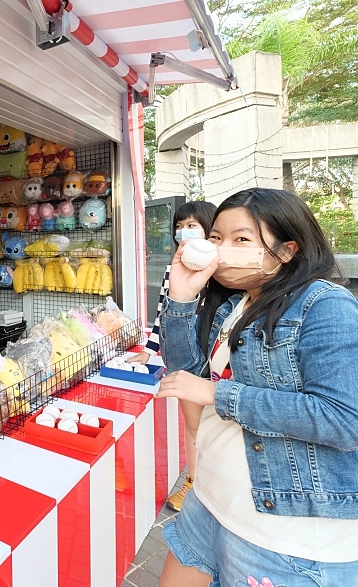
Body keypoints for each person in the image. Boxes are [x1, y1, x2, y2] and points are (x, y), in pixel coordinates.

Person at [155, 188, 358, 587]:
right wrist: (181, 296)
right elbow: (188, 371)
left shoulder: (326, 305)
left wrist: (218, 395)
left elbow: (345, 421)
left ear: (286, 250)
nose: (221, 250)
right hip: (211, 504)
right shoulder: (237, 305)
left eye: (240, 239)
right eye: (216, 238)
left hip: (286, 538)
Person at [128, 200, 216, 512]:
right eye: (180, 226)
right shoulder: (172, 269)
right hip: (185, 358)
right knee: (193, 427)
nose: (184, 232)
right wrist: (149, 351)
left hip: (219, 361)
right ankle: (193, 483)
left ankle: (215, 485)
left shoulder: (225, 271)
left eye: (192, 225)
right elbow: (163, 314)